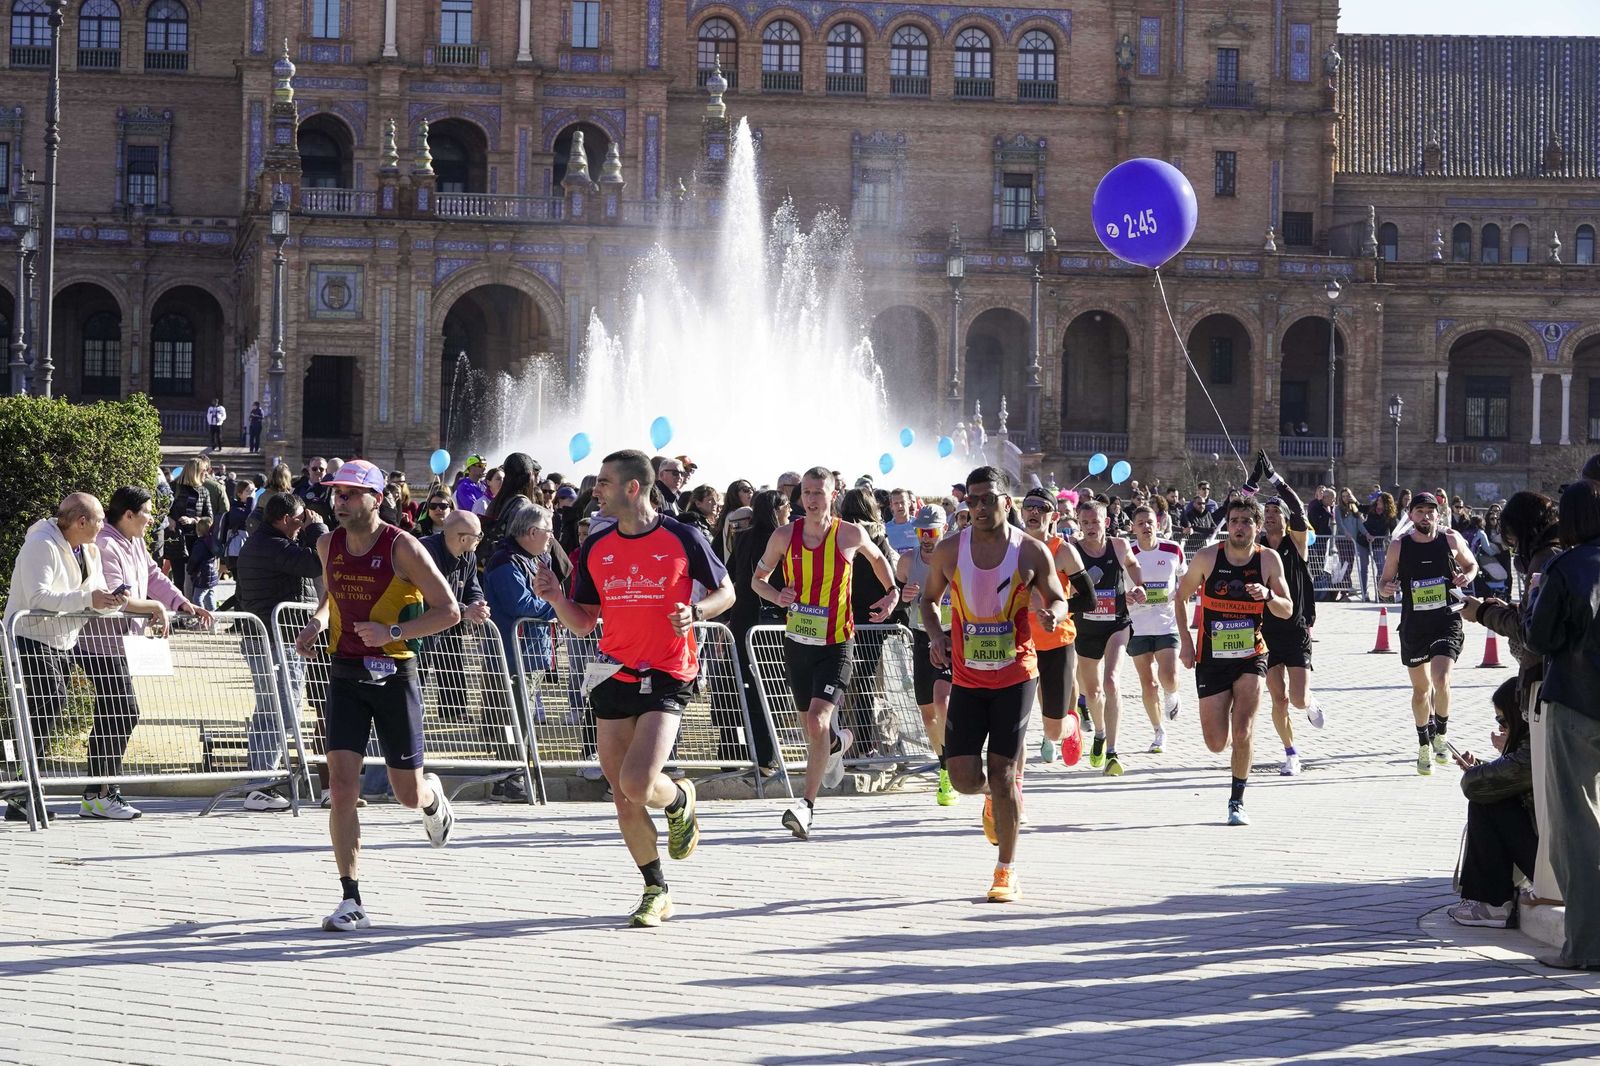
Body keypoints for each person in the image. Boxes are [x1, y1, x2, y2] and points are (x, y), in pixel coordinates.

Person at [533, 449, 734, 927]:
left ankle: (680, 798)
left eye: (603, 482)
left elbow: (727, 592)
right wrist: (557, 597)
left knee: (639, 783)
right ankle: (655, 889)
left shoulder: (682, 535)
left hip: (668, 671)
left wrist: (697, 613)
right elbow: (584, 623)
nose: (595, 490)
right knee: (623, 797)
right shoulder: (598, 547)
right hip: (612, 672)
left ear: (631, 487)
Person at [292, 459, 462, 932]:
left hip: (395, 674)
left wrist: (392, 629)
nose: (339, 501)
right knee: (342, 788)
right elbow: (332, 598)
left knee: (406, 792)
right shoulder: (328, 543)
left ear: (376, 497)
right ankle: (351, 897)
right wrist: (316, 622)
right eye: (335, 493)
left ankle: (431, 799)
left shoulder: (402, 547)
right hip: (345, 672)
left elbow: (448, 611)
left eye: (349, 493)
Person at [919, 466, 1069, 902]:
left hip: (1016, 675)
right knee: (964, 777)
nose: (980, 507)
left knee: (1005, 772)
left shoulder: (1031, 552)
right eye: (972, 500)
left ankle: (1006, 870)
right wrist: (936, 636)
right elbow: (929, 600)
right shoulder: (949, 550)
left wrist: (1052, 614)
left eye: (988, 499)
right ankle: (992, 797)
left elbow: (1058, 596)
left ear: (1009, 502)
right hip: (967, 676)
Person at [752, 466, 899, 840]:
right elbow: (758, 580)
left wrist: (892, 592)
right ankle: (838, 743)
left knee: (817, 720)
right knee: (812, 728)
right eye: (807, 492)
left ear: (834, 494)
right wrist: (777, 595)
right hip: (798, 642)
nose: (813, 499)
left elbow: (878, 559)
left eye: (820, 492)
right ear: (800, 497)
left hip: (837, 643)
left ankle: (806, 806)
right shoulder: (785, 535)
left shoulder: (850, 533)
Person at [76, 486, 213, 819]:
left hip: (123, 643)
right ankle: (102, 791)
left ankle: (98, 793)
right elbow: (116, 597)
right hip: (100, 644)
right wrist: (154, 606)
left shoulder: (134, 541)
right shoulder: (105, 544)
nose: (152, 520)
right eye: (148, 513)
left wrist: (181, 602)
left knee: (113, 715)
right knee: (124, 711)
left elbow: (153, 576)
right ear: (128, 515)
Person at [3, 493, 129, 822]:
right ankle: (21, 790)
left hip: (63, 638)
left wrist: (112, 600)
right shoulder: (40, 545)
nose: (105, 524)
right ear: (80, 522)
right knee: (50, 701)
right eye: (100, 519)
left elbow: (94, 592)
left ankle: (22, 791)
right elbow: (39, 596)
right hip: (28, 635)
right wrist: (89, 597)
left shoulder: (89, 549)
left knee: (45, 710)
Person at [1462, 490, 1562, 904]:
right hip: (1545, 689)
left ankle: (1501, 899)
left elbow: (1533, 633)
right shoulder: (1553, 558)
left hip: (1548, 690)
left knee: (1485, 791)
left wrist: (1485, 613)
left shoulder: (1547, 560)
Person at [1174, 496, 1295, 826]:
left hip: (1252, 656)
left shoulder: (1268, 561)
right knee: (1216, 743)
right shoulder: (1207, 558)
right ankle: (1226, 706)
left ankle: (1236, 800)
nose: (1239, 527)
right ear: (1227, 523)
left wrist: (1268, 596)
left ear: (1258, 527)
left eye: (1246, 521)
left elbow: (1288, 608)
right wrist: (1186, 643)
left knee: (1244, 731)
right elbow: (1181, 597)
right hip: (1211, 658)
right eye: (1234, 520)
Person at [1523, 479, 1600, 969]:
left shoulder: (1564, 567)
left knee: (1577, 829)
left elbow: (1541, 637)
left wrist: (1531, 601)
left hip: (1578, 703)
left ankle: (1586, 946)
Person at [236, 490, 325, 812]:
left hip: (273, 638)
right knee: (281, 712)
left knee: (270, 711)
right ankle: (262, 784)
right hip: (273, 640)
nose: (304, 523)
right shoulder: (271, 546)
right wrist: (317, 529)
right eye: (301, 518)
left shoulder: (267, 542)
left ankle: (260, 783)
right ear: (286, 519)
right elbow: (316, 562)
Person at [1379, 492, 1478, 776]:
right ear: (1410, 515)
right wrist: (1386, 589)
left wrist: (1466, 577)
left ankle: (1442, 735)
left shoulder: (1450, 539)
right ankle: (1424, 742)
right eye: (1419, 511)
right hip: (1414, 625)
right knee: (1421, 690)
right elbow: (1384, 580)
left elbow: (1472, 565)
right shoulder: (1399, 546)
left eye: (1430, 511)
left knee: (1441, 678)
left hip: (1446, 619)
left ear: (1439, 514)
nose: (1425, 516)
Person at [1254, 456, 1327, 778]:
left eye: (1274, 513)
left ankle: (1310, 703)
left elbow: (1298, 509)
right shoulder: (1254, 550)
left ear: (1285, 521)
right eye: (1265, 514)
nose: (1269, 517)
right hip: (1265, 631)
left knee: (1296, 699)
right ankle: (1290, 753)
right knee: (1278, 699)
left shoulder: (1296, 544)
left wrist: (1274, 477)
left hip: (1295, 628)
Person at [483, 505, 559, 802]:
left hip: (531, 652)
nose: (551, 538)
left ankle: (514, 774)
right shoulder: (505, 560)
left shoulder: (537, 557)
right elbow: (521, 604)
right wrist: (558, 608)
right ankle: (509, 778)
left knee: (522, 718)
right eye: (548, 531)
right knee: (513, 718)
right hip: (512, 654)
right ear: (532, 532)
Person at [1448, 677, 1537, 928]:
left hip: (1551, 858)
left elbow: (1477, 786)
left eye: (1502, 720)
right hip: (1548, 852)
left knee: (1485, 799)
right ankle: (1491, 901)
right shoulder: (1532, 741)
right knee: (1489, 793)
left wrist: (1504, 756)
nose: (1500, 727)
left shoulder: (1530, 748)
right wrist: (1487, 765)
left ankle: (1492, 903)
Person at [1072, 494, 1146, 775]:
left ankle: (1113, 752)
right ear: (1080, 524)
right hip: (1086, 629)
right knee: (1092, 691)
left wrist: (1139, 586)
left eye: (1095, 521)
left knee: (1112, 682)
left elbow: (1133, 564)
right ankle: (1100, 733)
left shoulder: (1119, 545)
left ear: (1107, 521)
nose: (1091, 526)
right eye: (1085, 522)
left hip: (1117, 624)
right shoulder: (1073, 551)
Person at [1019, 490, 1093, 765]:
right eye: (1029, 507)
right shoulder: (1011, 547)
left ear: (1055, 516)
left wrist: (1056, 610)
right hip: (1018, 644)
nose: (1034, 512)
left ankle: (1071, 727)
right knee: (1013, 722)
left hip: (1055, 643)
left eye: (1042, 508)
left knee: (1053, 728)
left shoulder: (1063, 551)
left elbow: (1089, 599)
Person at [897, 504, 958, 803]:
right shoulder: (908, 561)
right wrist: (902, 595)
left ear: (943, 530)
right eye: (921, 531)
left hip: (950, 636)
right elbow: (895, 597)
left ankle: (954, 760)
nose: (926, 538)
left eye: (931, 531)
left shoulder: (958, 558)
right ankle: (945, 761)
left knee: (942, 698)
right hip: (921, 637)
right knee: (927, 713)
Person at [726, 490, 790, 771]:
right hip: (769, 623)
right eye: (787, 507)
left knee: (751, 692)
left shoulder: (743, 539)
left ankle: (760, 754)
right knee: (773, 692)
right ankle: (767, 756)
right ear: (779, 509)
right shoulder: (779, 541)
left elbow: (730, 575)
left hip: (743, 622)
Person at [1127, 502, 1185, 755]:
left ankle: (1172, 693)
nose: (1146, 527)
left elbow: (1185, 577)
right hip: (1137, 626)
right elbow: (1118, 586)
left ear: (1158, 524)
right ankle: (1159, 731)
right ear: (1133, 528)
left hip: (1166, 623)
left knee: (1168, 676)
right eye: (1141, 523)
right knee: (1148, 684)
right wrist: (1126, 597)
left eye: (1150, 522)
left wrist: (1181, 594)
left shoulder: (1173, 550)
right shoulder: (1127, 554)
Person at [185, 517, 220, 612]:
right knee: (209, 598)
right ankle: (214, 620)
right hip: (212, 575)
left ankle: (202, 620)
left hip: (202, 576)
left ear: (199, 530)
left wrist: (189, 569)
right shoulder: (212, 542)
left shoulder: (200, 544)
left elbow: (194, 559)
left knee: (197, 598)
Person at [884, 489, 919, 555]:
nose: (900, 506)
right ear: (891, 506)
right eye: (896, 503)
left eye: (902, 502)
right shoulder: (885, 529)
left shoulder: (919, 525)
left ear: (909, 503)